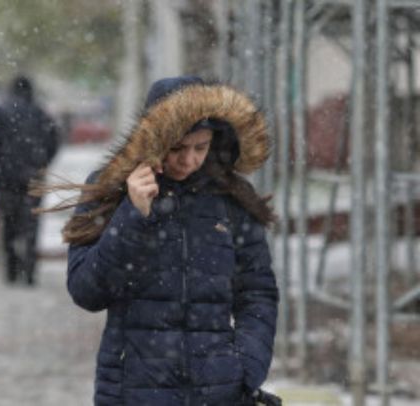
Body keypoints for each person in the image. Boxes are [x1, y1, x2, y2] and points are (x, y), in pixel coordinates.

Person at [39, 76, 279, 405]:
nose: (189, 160)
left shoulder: (232, 199)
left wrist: (246, 366)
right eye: (178, 147)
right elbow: (86, 291)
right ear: (153, 140)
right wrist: (133, 215)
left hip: (219, 393)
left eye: (201, 147)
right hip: (132, 391)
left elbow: (258, 293)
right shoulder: (111, 189)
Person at [0, 75, 59, 285]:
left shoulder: (0, 113)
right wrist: (42, 163)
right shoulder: (40, 114)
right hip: (33, 178)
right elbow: (53, 140)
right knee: (31, 225)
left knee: (9, 223)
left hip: (6, 179)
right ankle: (30, 270)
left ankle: (11, 269)